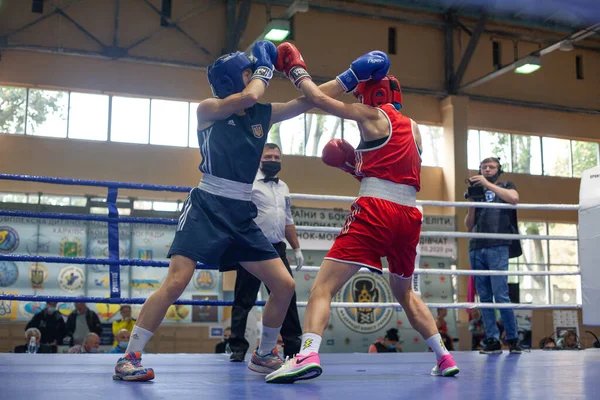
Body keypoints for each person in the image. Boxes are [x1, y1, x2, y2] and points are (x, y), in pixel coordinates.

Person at [112, 40, 364, 381]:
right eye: (249, 72)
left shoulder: (261, 114)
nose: (256, 77)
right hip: (207, 204)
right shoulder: (209, 109)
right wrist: (266, 67)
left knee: (285, 285)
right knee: (176, 281)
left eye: (254, 71)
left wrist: (351, 76)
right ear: (234, 79)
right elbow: (248, 96)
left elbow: (306, 101)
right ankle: (129, 357)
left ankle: (263, 355)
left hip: (241, 211)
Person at [265, 43, 459, 384]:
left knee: (322, 287)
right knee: (405, 293)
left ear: (370, 94)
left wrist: (297, 70)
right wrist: (352, 164)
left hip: (376, 211)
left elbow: (320, 101)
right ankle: (444, 357)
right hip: (409, 215)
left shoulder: (372, 114)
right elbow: (392, 170)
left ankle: (308, 352)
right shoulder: (415, 130)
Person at [225, 143, 304, 362]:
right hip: (251, 246)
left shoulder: (284, 187)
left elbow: (288, 220)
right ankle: (238, 348)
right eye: (268, 156)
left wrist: (296, 248)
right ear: (259, 159)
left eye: (276, 156)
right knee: (244, 298)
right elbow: (236, 216)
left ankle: (293, 348)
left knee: (287, 295)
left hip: (277, 248)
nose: (273, 159)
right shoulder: (248, 184)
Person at [465, 157, 522, 355]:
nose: (487, 169)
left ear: (499, 170)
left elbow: (514, 199)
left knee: (501, 294)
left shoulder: (506, 185)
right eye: (484, 167)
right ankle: (492, 340)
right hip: (476, 246)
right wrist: (472, 202)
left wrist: (488, 185)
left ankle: (513, 339)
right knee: (485, 297)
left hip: (498, 245)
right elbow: (468, 225)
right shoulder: (477, 191)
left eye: (491, 167)